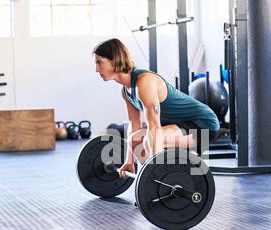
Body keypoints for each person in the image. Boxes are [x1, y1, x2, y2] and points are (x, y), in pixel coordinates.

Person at [93, 38, 220, 179]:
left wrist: (154, 171)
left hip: (203, 125)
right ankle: (160, 179)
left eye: (99, 62)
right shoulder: (124, 90)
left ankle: (161, 179)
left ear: (114, 60)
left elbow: (154, 127)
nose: (96, 69)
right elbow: (134, 125)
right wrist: (130, 161)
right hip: (178, 126)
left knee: (149, 140)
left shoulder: (144, 82)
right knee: (135, 140)